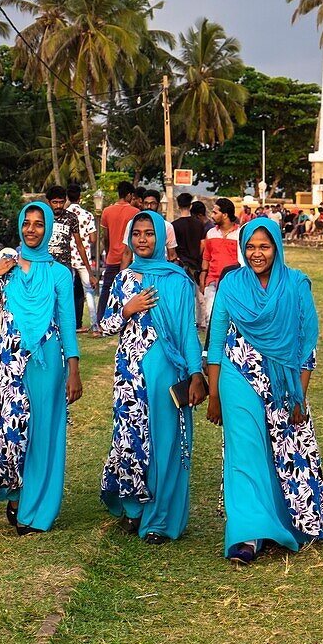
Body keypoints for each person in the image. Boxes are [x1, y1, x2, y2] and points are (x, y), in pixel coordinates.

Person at [206, 217, 323, 565]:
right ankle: (247, 535)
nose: (256, 253)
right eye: (250, 246)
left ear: (277, 247)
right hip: (238, 376)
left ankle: (281, 521)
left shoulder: (296, 285)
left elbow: (306, 346)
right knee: (244, 454)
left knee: (281, 451)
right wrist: (215, 393)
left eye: (264, 246)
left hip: (283, 384)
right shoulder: (232, 284)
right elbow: (216, 340)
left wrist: (299, 396)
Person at [100, 211, 205, 543]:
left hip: (167, 373)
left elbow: (188, 332)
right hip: (130, 374)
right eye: (137, 234)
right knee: (131, 440)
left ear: (161, 238)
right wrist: (126, 309)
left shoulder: (178, 280)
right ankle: (134, 509)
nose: (143, 239)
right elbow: (105, 326)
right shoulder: (123, 279)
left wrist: (196, 374)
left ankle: (159, 519)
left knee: (166, 443)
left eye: (149, 233)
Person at [0, 202, 82, 534]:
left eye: (39, 224)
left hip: (47, 360)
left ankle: (37, 509)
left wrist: (74, 367)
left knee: (43, 433)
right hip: (10, 360)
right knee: (12, 430)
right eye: (27, 223)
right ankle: (15, 493)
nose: (32, 229)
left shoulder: (59, 273)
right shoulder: (5, 267)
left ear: (48, 228)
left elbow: (67, 322)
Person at [97, 181, 138, 326]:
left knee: (106, 290)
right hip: (129, 258)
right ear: (128, 195)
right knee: (129, 291)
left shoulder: (107, 211)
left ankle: (101, 320)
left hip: (112, 257)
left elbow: (106, 236)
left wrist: (108, 252)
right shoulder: (135, 212)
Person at [200, 198, 241, 327]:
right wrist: (203, 279)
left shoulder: (240, 234)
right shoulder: (211, 233)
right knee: (211, 319)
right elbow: (206, 257)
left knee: (231, 322)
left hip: (233, 283)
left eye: (215, 212)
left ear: (225, 215)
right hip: (212, 281)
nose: (212, 216)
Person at [66, 183, 98, 334]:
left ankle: (66, 325)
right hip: (82, 258)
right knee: (88, 292)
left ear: (67, 197)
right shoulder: (87, 215)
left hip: (65, 258)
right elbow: (92, 238)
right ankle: (94, 324)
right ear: (80, 197)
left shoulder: (63, 215)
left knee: (64, 292)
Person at [172, 192, 205, 282]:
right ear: (190, 206)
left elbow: (172, 246)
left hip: (180, 264)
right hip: (196, 264)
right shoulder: (199, 224)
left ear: (178, 206)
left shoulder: (174, 225)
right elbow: (203, 243)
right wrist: (196, 255)